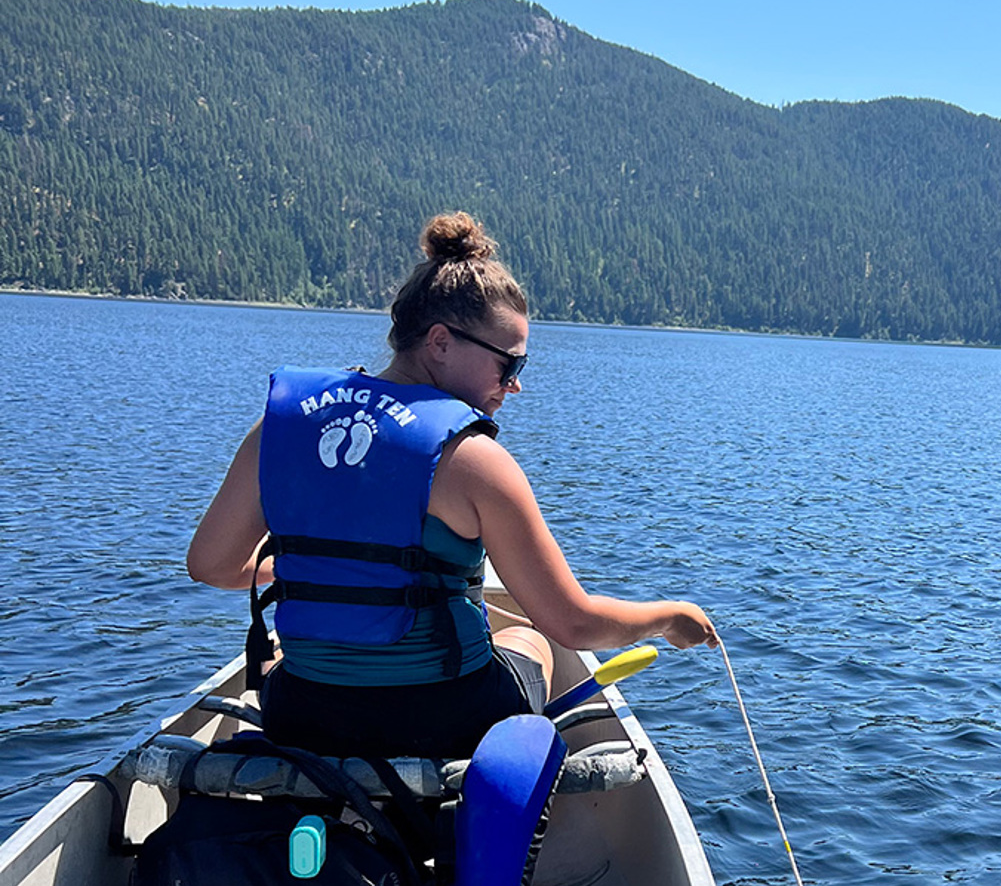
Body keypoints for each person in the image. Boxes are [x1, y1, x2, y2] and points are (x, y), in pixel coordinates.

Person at [188, 212, 717, 759]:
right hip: (442, 717)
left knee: (278, 660)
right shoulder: (474, 459)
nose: (515, 385)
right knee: (529, 639)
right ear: (440, 342)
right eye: (508, 363)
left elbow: (212, 565)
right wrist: (669, 617)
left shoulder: (280, 427)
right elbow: (573, 622)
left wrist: (317, 567)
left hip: (303, 715)